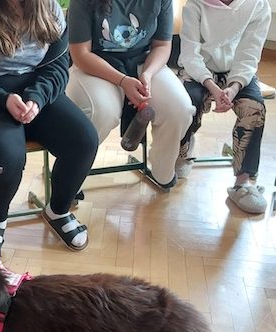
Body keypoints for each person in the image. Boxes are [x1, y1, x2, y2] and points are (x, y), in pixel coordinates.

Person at [0, 0, 99, 252]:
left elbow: (57, 67)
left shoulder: (50, 8)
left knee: (84, 141)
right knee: (6, 159)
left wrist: (38, 98)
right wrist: (3, 99)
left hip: (33, 91)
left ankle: (58, 210)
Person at [66, 0, 196, 189]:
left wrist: (148, 74)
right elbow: (81, 54)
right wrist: (122, 81)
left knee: (180, 109)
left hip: (144, 61)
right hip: (95, 65)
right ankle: (69, 179)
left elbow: (162, 45)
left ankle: (163, 171)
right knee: (100, 112)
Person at [176, 0, 271, 214]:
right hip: (197, 70)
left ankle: (243, 182)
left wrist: (234, 87)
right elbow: (190, 54)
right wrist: (213, 86)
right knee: (186, 103)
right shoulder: (195, 4)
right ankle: (182, 152)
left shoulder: (258, 5)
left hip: (237, 73)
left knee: (255, 109)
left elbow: (249, 55)